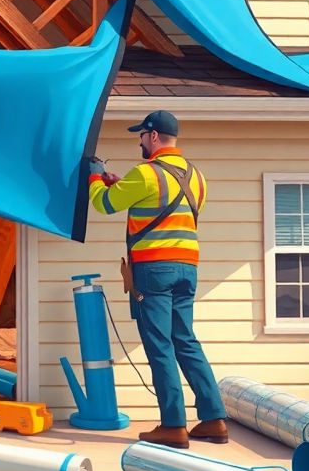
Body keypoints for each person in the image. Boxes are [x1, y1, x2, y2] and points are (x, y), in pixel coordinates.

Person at [87, 110, 227, 449]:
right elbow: (166, 208)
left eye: (141, 136)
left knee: (160, 344)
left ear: (152, 136)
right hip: (188, 267)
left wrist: (95, 177)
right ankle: (214, 419)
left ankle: (173, 425)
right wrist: (120, 183)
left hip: (155, 269)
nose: (139, 142)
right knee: (185, 341)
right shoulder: (197, 177)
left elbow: (103, 205)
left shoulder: (146, 173)